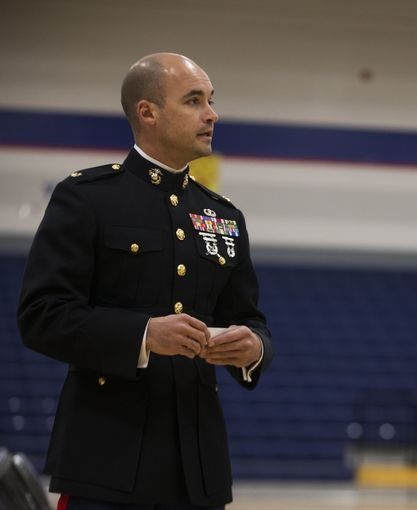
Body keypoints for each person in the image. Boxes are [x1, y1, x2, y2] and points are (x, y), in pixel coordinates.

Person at [16, 53, 273, 509]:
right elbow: (41, 315)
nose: (212, 114)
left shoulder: (223, 216)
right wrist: (144, 335)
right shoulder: (87, 198)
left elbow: (251, 320)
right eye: (194, 101)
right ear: (147, 112)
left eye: (211, 101)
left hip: (199, 471)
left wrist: (252, 348)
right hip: (106, 464)